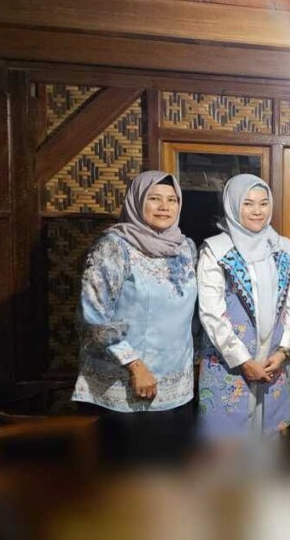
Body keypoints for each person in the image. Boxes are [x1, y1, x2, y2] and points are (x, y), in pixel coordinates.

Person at [72, 171, 197, 466]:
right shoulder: (114, 247)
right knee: (128, 473)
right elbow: (92, 314)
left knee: (170, 471)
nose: (164, 206)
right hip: (128, 382)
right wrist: (135, 366)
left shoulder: (185, 248)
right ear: (137, 201)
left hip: (177, 383)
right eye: (154, 198)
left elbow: (189, 310)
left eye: (172, 200)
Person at [196, 175, 290, 452]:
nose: (258, 211)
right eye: (248, 203)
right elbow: (211, 313)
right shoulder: (216, 250)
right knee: (227, 445)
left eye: (263, 203)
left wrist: (284, 351)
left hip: (273, 360)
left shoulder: (282, 246)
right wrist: (243, 361)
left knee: (269, 440)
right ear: (233, 206)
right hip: (230, 361)